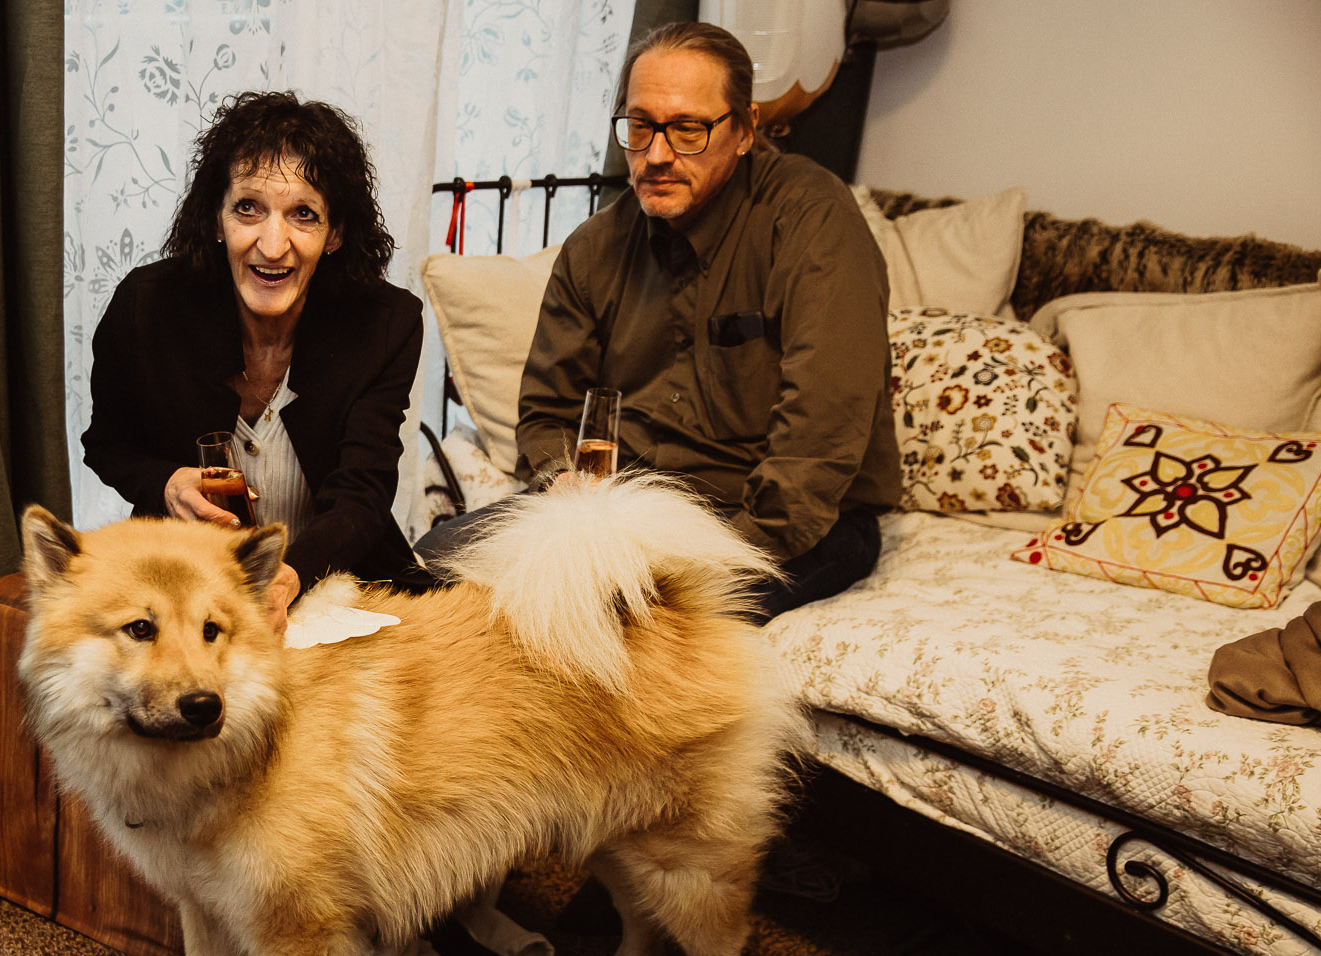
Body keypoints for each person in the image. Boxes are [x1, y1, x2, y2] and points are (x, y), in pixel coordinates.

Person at [423, 21, 900, 624]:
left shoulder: (812, 217)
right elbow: (546, 414)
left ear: (745, 130)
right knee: (430, 568)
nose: (656, 155)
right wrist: (562, 486)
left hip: (780, 518)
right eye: (640, 125)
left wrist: (705, 564)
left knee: (627, 622)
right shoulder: (594, 247)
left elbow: (820, 437)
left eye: (688, 129)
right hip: (629, 508)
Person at [83, 91, 427, 632]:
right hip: (185, 584)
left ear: (335, 233)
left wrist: (288, 577)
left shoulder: (388, 324)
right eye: (248, 208)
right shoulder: (145, 307)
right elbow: (108, 445)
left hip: (334, 582)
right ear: (216, 218)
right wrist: (167, 483)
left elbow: (362, 496)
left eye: (303, 215)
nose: (272, 245)